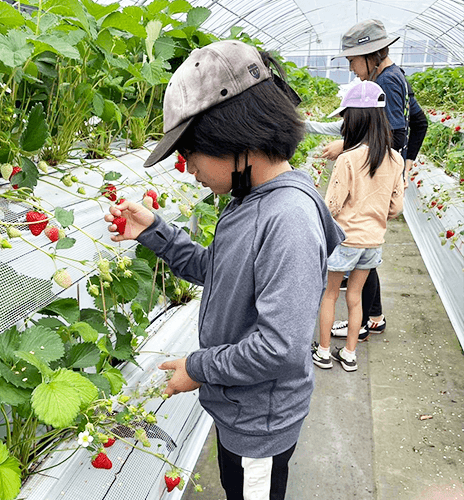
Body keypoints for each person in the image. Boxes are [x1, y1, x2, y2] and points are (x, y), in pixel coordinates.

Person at [105, 40, 344, 499]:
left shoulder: (287, 219)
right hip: (241, 408)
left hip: (260, 424)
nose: (187, 166)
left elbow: (279, 348)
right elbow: (215, 269)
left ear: (234, 138)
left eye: (191, 150)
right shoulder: (249, 201)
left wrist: (198, 367)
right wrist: (153, 229)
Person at [318, 19, 428, 340]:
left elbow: (393, 134)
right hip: (385, 175)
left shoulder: (388, 82)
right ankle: (374, 317)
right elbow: (418, 123)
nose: (352, 68)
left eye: (353, 60)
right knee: (368, 248)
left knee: (362, 245)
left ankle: (366, 322)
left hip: (375, 177)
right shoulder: (396, 77)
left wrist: (348, 145)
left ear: (373, 54)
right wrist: (405, 163)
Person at [312, 80, 405, 372]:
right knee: (355, 297)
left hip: (345, 241)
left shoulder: (348, 159)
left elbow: (332, 206)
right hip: (373, 241)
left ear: (355, 119)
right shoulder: (395, 158)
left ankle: (324, 351)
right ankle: (350, 354)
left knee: (330, 295)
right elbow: (395, 208)